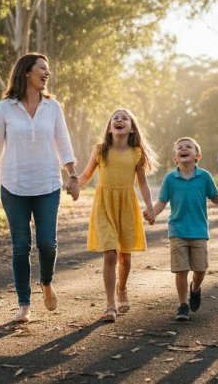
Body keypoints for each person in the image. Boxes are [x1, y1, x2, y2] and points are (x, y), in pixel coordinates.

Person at [0, 53, 81, 324]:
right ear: (26, 72)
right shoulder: (4, 108)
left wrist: (72, 175)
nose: (47, 74)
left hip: (48, 184)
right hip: (14, 185)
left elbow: (63, 143)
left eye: (48, 70)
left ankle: (46, 282)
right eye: (42, 69)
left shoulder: (53, 107)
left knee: (47, 244)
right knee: (20, 246)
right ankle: (24, 304)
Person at [76, 108, 157, 323]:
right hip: (104, 205)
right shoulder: (100, 150)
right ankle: (110, 305)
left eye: (125, 118)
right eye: (116, 118)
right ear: (110, 128)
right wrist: (75, 186)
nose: (120, 120)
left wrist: (150, 206)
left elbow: (142, 183)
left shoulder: (136, 153)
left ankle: (122, 288)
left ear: (131, 129)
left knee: (125, 257)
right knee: (110, 254)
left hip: (127, 206)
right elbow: (85, 176)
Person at [148, 137, 218, 321]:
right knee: (180, 270)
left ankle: (195, 289)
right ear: (175, 158)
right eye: (180, 148)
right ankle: (183, 305)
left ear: (197, 155)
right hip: (177, 231)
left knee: (200, 269)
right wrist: (153, 213)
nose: (183, 149)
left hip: (198, 231)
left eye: (188, 147)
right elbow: (162, 202)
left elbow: (216, 198)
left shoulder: (204, 177)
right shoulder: (170, 178)